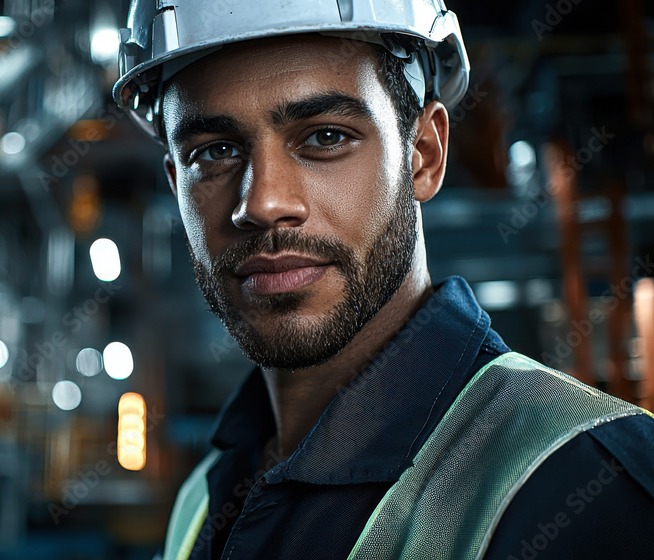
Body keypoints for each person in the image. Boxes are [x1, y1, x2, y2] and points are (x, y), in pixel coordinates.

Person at [113, 1, 654, 559]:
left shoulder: (588, 482)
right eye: (215, 152)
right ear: (177, 182)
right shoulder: (202, 501)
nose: (263, 203)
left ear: (423, 155)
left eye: (325, 137)